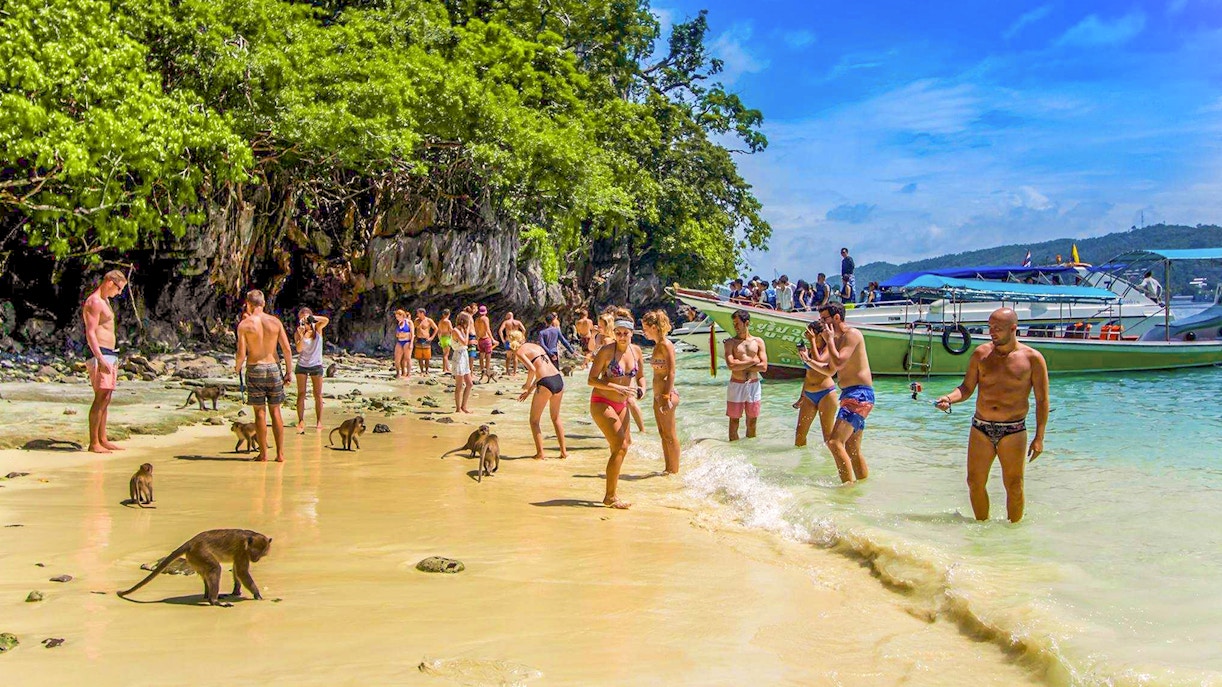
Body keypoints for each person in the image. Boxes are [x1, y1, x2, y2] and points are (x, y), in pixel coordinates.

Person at [936, 308, 1049, 523]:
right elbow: (966, 388)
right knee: (974, 482)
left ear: (1013, 329)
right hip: (981, 427)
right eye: (990, 328)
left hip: (1013, 430)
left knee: (1014, 485)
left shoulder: (1033, 359)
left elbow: (1042, 401)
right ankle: (982, 530)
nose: (992, 333)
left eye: (997, 329)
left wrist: (1039, 438)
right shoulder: (981, 354)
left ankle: (1013, 534)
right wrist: (949, 398)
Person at [587, 308, 644, 509]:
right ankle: (609, 497)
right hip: (602, 402)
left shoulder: (636, 351)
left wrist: (642, 388)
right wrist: (615, 386)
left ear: (632, 333)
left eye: (625, 333)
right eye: (618, 333)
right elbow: (591, 380)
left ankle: (612, 491)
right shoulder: (606, 351)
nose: (621, 337)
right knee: (621, 445)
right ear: (614, 332)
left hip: (622, 404)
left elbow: (641, 376)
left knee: (623, 445)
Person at [811, 303, 873, 483]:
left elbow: (838, 362)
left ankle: (847, 489)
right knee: (852, 448)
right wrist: (809, 361)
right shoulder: (837, 340)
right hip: (850, 394)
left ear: (836, 317)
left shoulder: (851, 335)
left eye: (825, 319)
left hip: (859, 394)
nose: (822, 323)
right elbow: (830, 370)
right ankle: (862, 488)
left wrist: (829, 339)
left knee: (834, 443)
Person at [236, 290, 294, 462]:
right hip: (274, 368)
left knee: (259, 413)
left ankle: (263, 454)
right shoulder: (275, 322)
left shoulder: (245, 325)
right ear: (263, 304)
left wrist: (237, 368)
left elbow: (241, 354)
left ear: (248, 304)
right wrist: (288, 371)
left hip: (255, 368)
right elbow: (287, 349)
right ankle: (280, 454)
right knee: (276, 411)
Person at [81, 270, 128, 453]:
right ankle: (94, 443)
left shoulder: (105, 301)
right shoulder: (94, 301)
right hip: (99, 352)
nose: (119, 293)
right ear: (109, 282)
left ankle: (102, 438)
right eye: (118, 288)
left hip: (110, 352)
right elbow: (90, 331)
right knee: (100, 396)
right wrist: (99, 357)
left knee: (106, 397)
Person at [513, 339, 569, 461]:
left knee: (534, 421)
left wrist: (527, 385)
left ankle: (540, 454)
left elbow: (533, 370)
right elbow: (541, 372)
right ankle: (564, 452)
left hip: (545, 382)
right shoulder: (536, 346)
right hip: (558, 379)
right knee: (556, 418)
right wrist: (529, 392)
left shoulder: (519, 351)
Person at [642, 310, 680, 474]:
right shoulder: (657, 345)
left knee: (670, 434)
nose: (643, 332)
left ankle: (675, 470)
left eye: (645, 328)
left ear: (654, 327)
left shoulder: (665, 344)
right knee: (663, 433)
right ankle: (668, 469)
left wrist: (666, 396)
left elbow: (671, 372)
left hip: (666, 394)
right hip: (658, 395)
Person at [723, 309, 767, 441]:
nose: (735, 327)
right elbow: (731, 365)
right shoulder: (730, 343)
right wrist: (753, 361)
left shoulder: (758, 342)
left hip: (753, 385)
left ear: (746, 323)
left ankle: (751, 453)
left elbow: (764, 367)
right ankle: (734, 453)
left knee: (752, 422)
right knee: (734, 421)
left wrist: (740, 364)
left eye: (737, 323)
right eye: (734, 324)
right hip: (736, 384)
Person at [793, 320, 838, 448]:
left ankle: (830, 465)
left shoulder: (828, 348)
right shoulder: (811, 350)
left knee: (827, 436)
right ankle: (802, 464)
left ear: (818, 334)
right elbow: (808, 375)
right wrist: (801, 396)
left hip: (826, 394)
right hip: (809, 395)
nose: (807, 336)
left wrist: (812, 342)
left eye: (810, 333)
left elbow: (820, 362)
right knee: (800, 435)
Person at [293, 308, 330, 432]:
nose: (305, 322)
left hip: (316, 364)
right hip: (302, 364)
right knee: (301, 394)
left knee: (317, 394)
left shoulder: (318, 329)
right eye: (302, 319)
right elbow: (298, 349)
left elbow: (326, 320)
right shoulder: (299, 332)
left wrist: (312, 318)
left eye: (306, 319)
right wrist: (302, 335)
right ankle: (300, 420)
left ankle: (319, 421)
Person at [450, 312, 474, 413]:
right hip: (458, 356)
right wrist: (468, 330)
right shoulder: (455, 330)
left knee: (469, 384)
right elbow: (464, 342)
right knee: (459, 385)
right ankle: (458, 408)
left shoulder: (462, 330)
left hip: (464, 355)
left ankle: (464, 406)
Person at [473, 305, 497, 377]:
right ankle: (487, 370)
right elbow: (487, 329)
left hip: (480, 339)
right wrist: (492, 339)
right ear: (485, 312)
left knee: (481, 355)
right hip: (486, 339)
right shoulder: (485, 318)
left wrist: (477, 339)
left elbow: (476, 330)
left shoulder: (476, 320)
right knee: (488, 355)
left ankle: (482, 370)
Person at [413, 308, 437, 375]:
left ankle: (427, 371)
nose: (417, 314)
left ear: (422, 313)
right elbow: (412, 328)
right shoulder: (416, 321)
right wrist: (414, 336)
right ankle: (421, 371)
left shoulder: (428, 320)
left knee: (427, 357)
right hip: (418, 339)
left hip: (426, 339)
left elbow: (436, 328)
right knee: (419, 357)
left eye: (418, 313)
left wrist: (432, 337)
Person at [393, 309, 413, 378]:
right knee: (397, 358)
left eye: (398, 317)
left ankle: (408, 374)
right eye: (396, 317)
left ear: (402, 315)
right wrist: (399, 335)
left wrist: (411, 343)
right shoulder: (399, 323)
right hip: (400, 341)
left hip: (407, 341)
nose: (397, 318)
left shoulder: (409, 322)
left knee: (408, 358)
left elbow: (412, 333)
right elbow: (397, 334)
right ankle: (398, 373)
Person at [437, 309, 453, 374]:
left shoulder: (440, 321)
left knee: (444, 354)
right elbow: (451, 330)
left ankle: (444, 368)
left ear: (443, 314)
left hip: (442, 338)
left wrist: (439, 340)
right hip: (447, 338)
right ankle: (448, 368)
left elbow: (439, 332)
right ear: (449, 314)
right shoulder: (448, 322)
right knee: (446, 355)